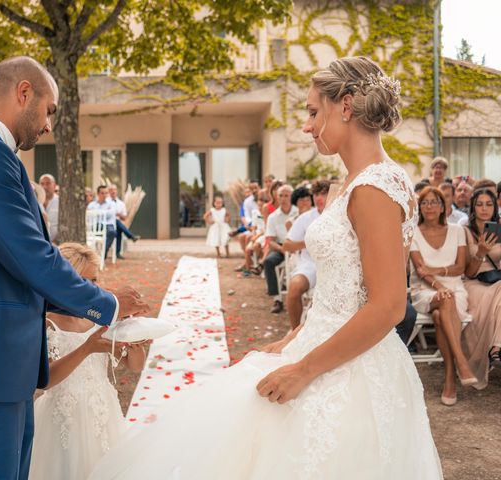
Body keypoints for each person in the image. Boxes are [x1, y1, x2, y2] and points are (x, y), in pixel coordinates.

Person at [90, 56, 442, 480]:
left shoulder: (373, 188)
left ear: (345, 106)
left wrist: (304, 368)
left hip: (353, 370)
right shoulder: (351, 183)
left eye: (313, 112)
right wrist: (297, 337)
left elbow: (387, 306)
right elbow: (345, 289)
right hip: (324, 341)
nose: (307, 126)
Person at [0, 56, 148, 479]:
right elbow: (31, 257)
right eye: (49, 111)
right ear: (24, 93)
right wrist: (107, 304)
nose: (48, 126)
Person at [29, 243, 147, 479]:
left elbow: (134, 366)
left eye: (96, 280)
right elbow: (46, 380)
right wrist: (87, 348)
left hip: (102, 412)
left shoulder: (99, 319)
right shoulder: (46, 324)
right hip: (63, 418)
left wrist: (135, 341)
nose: (95, 289)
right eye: (86, 282)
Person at [409, 186, 477, 405]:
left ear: (443, 207)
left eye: (435, 202)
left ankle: (450, 377)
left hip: (455, 288)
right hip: (425, 290)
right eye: (425, 202)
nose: (430, 207)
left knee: (441, 315)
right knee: (445, 298)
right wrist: (438, 285)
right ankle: (461, 363)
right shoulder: (413, 232)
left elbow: (461, 268)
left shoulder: (457, 230)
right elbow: (421, 272)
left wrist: (436, 271)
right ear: (420, 207)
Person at [462, 188, 501, 389]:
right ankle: (496, 348)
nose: (484, 208)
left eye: (489, 204)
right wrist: (481, 253)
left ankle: (497, 347)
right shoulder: (465, 231)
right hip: (474, 282)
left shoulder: (499, 229)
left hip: (497, 281)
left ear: (495, 207)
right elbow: (467, 272)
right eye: (480, 204)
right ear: (473, 207)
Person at [283, 180, 330, 329]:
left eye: (323, 193)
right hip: (310, 264)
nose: (318, 198)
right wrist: (308, 242)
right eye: (316, 194)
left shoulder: (343, 215)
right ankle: (295, 330)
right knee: (295, 287)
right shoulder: (305, 218)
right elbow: (287, 245)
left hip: (334, 264)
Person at [263, 185, 297, 313]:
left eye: (286, 195)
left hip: (298, 247)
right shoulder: (273, 217)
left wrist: (294, 248)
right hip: (281, 248)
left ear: (291, 197)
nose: (283, 198)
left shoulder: (298, 212)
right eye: (280, 195)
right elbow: (270, 241)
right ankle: (277, 299)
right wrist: (283, 250)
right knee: (268, 262)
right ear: (277, 197)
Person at [108, 184, 139, 259]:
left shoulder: (121, 204)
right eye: (111, 190)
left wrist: (117, 214)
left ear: (116, 191)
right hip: (108, 224)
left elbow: (124, 217)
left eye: (114, 190)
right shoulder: (106, 202)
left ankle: (118, 252)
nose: (113, 191)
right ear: (109, 191)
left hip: (117, 223)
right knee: (117, 223)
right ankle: (130, 236)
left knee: (118, 227)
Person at [87, 185, 118, 258]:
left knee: (112, 232)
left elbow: (110, 214)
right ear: (98, 194)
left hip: (107, 225)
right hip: (96, 225)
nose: (104, 195)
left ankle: (104, 251)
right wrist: (103, 212)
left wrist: (97, 212)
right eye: (102, 193)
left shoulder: (112, 204)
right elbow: (89, 215)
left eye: (106, 193)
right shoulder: (92, 204)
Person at [39, 173, 59, 241]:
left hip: (57, 244)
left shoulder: (60, 202)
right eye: (42, 184)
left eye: (48, 183)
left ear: (54, 185)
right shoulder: (36, 203)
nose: (45, 187)